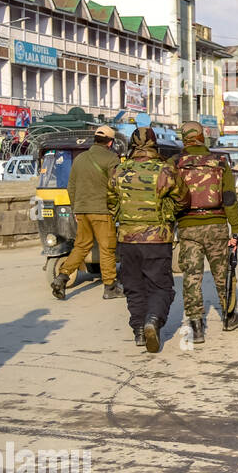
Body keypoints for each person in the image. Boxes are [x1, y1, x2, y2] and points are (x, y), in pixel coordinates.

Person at [106, 126, 187, 352]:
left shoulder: (118, 171)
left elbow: (111, 203)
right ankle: (153, 319)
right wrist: (168, 215)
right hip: (157, 239)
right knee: (161, 287)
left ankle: (139, 331)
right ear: (154, 144)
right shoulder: (165, 171)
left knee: (134, 287)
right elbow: (183, 200)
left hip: (128, 240)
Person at [174, 121, 238, 342]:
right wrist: (235, 228)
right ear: (202, 136)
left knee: (192, 276)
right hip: (216, 225)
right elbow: (230, 198)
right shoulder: (219, 161)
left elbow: (169, 197)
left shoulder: (174, 163)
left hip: (187, 226)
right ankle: (228, 316)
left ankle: (196, 326)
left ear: (184, 138)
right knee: (223, 272)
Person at [51, 124, 122, 301]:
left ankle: (62, 277)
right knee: (107, 248)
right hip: (102, 211)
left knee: (81, 246)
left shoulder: (80, 159)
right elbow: (117, 185)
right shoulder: (112, 158)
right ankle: (110, 287)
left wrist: (76, 208)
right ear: (110, 142)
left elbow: (71, 187)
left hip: (82, 211)